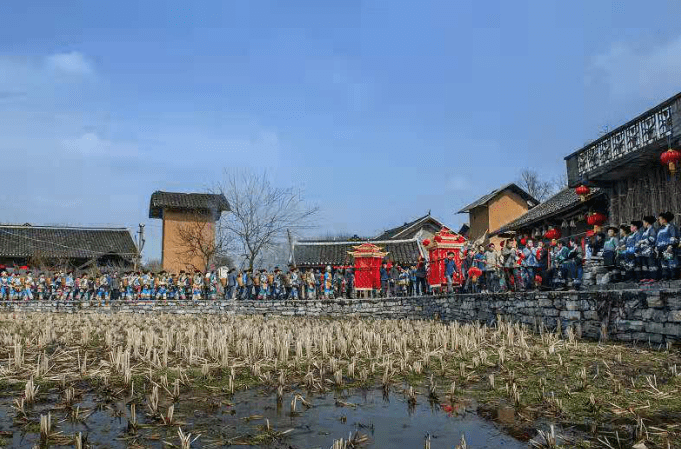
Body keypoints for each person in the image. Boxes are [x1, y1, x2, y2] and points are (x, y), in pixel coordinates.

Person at [656, 211, 678, 280]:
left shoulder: (670, 227)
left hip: (667, 248)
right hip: (661, 249)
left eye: (659, 219)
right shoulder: (659, 229)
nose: (658, 221)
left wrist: (670, 245)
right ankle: (665, 277)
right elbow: (657, 239)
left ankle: (673, 277)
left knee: (670, 262)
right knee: (663, 264)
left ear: (664, 219)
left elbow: (674, 237)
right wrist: (656, 247)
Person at [637, 216, 658, 281]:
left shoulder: (652, 229)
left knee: (651, 264)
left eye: (644, 222)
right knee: (645, 265)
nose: (643, 224)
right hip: (643, 250)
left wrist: (644, 241)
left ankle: (653, 277)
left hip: (650, 250)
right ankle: (646, 277)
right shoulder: (645, 230)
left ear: (647, 223)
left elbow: (653, 238)